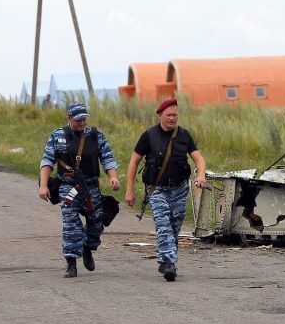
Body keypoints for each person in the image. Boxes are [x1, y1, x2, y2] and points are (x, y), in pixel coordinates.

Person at [125, 98, 207, 282]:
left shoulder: (184, 135)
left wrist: (201, 175)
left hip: (179, 189)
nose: (172, 118)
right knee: (163, 224)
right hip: (157, 189)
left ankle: (164, 259)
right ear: (160, 115)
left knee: (174, 227)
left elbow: (198, 158)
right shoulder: (149, 136)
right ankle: (170, 263)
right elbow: (134, 162)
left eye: (175, 115)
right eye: (168, 115)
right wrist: (129, 190)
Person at [39, 103, 121, 278]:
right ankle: (71, 262)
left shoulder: (96, 135)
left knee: (97, 222)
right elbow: (47, 161)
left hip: (90, 186)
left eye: (85, 119)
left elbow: (107, 157)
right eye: (78, 120)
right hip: (68, 187)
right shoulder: (57, 136)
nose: (83, 122)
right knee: (70, 223)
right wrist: (43, 186)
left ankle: (87, 247)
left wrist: (112, 176)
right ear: (69, 119)